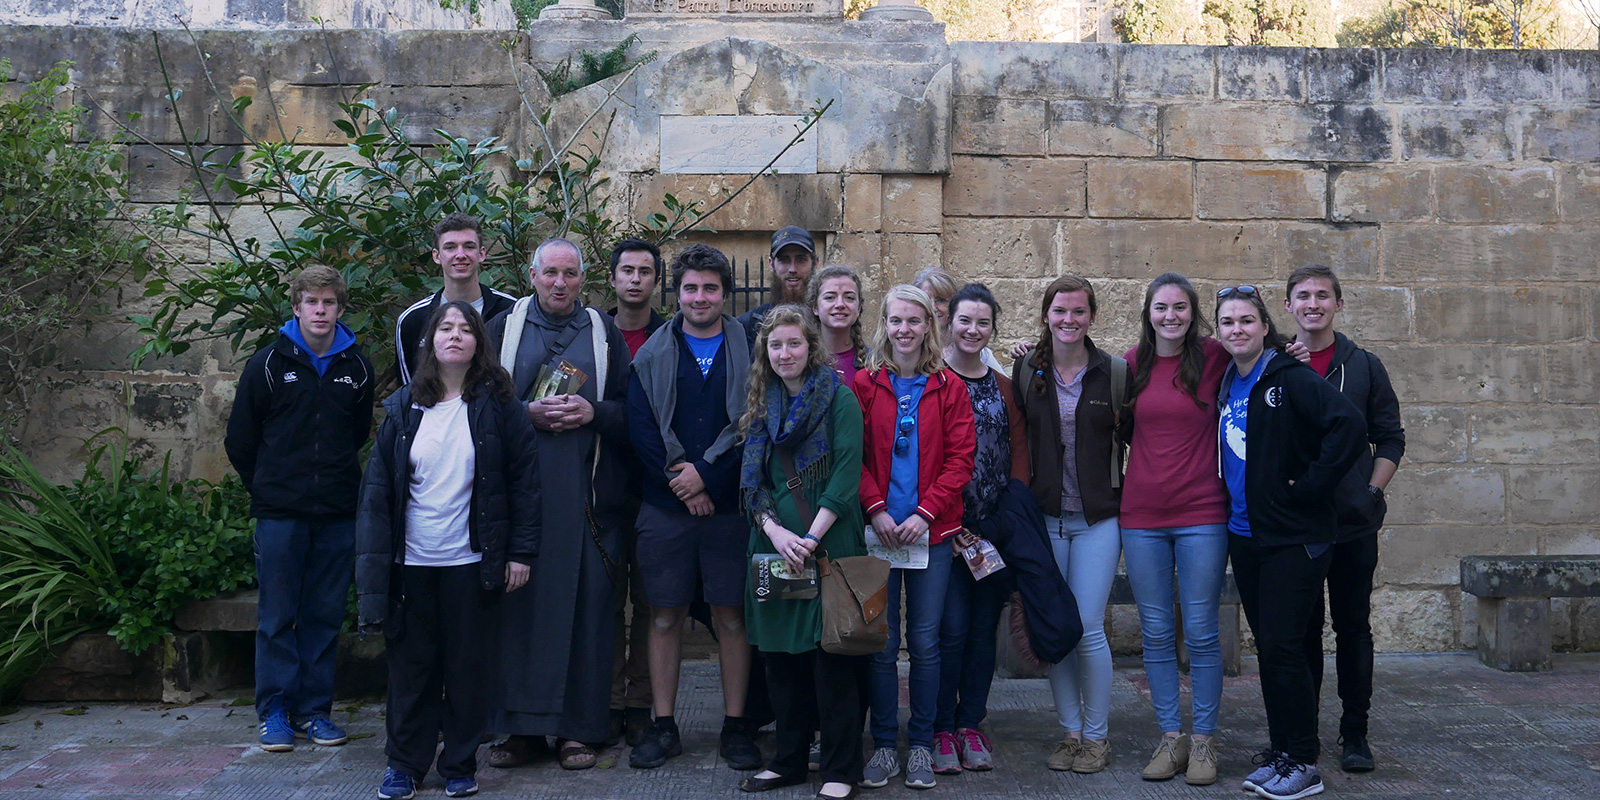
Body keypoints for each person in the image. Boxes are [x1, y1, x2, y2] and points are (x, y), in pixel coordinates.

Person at [355, 303, 540, 800]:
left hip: (471, 562)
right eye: (445, 328)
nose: (455, 336)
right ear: (430, 341)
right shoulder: (401, 408)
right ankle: (404, 766)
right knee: (412, 671)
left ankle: (459, 763)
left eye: (465, 329)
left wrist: (519, 553)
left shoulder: (500, 406)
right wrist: (373, 575)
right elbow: (376, 500)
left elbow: (524, 483)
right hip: (411, 564)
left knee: (467, 669)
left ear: (479, 341)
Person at [484, 237, 632, 771]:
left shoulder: (602, 331)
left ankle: (578, 730)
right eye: (551, 273)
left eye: (570, 274)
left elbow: (627, 409)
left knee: (587, 610)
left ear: (583, 278)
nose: (560, 283)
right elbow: (479, 406)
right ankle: (518, 730)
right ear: (532, 274)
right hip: (521, 496)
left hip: (586, 500)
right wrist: (527, 414)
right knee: (517, 609)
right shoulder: (503, 329)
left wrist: (592, 412)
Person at [1215, 285, 1364, 800]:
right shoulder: (1229, 383)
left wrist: (1311, 487)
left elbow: (1348, 425)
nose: (1237, 329)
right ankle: (1284, 751)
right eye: (1228, 322)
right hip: (1246, 534)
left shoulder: (1288, 375)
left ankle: (1303, 760)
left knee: (1283, 647)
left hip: (1293, 537)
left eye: (1246, 321)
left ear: (1264, 327)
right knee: (1276, 648)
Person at [225, 264, 375, 753]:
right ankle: (274, 713)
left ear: (340, 307)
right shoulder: (268, 364)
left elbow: (356, 434)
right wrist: (269, 488)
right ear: (296, 307)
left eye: (329, 302)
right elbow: (241, 440)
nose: (320, 310)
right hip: (280, 514)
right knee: (276, 616)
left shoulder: (357, 367)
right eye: (311, 302)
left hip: (335, 512)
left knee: (325, 615)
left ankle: (316, 712)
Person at [627, 243, 762, 771]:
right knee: (665, 617)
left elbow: (754, 423)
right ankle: (664, 726)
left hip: (730, 507)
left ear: (725, 294)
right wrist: (683, 485)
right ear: (676, 293)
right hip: (665, 507)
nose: (700, 297)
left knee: (732, 618)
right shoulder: (651, 355)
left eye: (710, 288)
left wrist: (707, 477)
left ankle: (735, 727)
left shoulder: (750, 350)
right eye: (690, 288)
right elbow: (642, 430)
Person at [735, 305, 869, 800]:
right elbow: (752, 482)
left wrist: (810, 539)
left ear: (810, 347)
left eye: (793, 344)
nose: (784, 353)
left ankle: (840, 768)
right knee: (780, 661)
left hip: (829, 544)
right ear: (765, 353)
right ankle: (788, 761)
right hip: (775, 546)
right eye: (775, 346)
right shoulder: (759, 404)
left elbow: (845, 476)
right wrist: (775, 533)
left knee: (833, 659)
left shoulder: (840, 398)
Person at [854, 285, 976, 791]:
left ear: (930, 326)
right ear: (885, 324)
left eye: (915, 321)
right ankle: (884, 744)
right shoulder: (864, 384)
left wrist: (925, 514)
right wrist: (876, 509)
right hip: (879, 531)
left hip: (932, 533)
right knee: (881, 643)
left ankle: (921, 744)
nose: (905, 330)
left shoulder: (950, 388)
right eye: (896, 320)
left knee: (926, 643)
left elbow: (960, 460)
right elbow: (852, 456)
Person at [1284, 265, 1405, 775]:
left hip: (1353, 523)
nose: (1313, 304)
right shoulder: (1274, 365)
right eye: (1303, 296)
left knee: (1353, 628)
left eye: (1323, 296)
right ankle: (1303, 733)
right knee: (1303, 633)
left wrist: (1372, 491)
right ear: (1288, 306)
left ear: (1339, 304)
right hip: (1297, 526)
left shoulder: (1364, 366)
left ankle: (1354, 732)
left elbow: (1391, 436)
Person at [1118, 273, 1232, 786]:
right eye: (1161, 307)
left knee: (1203, 632)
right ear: (1148, 312)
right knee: (1157, 631)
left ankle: (1204, 742)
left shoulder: (1214, 356)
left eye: (1180, 307)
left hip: (1203, 513)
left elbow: (1260, 352)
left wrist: (1291, 351)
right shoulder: (1130, 364)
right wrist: (1034, 355)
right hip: (1141, 517)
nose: (1170, 316)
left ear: (1193, 312)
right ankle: (1171, 738)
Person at [1011, 275, 1129, 776]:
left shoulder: (1115, 373)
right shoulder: (1025, 370)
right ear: (1045, 315)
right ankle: (1071, 732)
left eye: (1078, 311)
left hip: (1099, 519)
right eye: (1059, 311)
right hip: (1046, 519)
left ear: (1092, 317)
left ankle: (1098, 738)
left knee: (1086, 628)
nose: (1068, 319)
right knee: (1054, 627)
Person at [933, 284, 1029, 775]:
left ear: (993, 327)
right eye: (964, 320)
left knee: (981, 632)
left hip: (991, 534)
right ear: (948, 323)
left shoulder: (1002, 385)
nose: (973, 330)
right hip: (944, 531)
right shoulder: (932, 379)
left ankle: (971, 722)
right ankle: (940, 728)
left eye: (983, 322)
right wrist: (942, 522)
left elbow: (1019, 455)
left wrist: (1000, 521)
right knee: (948, 629)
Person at [607, 237, 667, 746]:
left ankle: (640, 702)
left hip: (654, 491)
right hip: (599, 490)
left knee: (651, 603)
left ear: (655, 281)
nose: (634, 279)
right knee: (606, 601)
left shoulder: (670, 336)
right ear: (612, 279)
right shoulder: (592, 333)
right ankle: (606, 701)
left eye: (644, 272)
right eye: (626, 270)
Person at [395, 213, 518, 385]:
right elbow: (408, 394)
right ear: (436, 256)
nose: (460, 255)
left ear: (482, 254)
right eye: (450, 247)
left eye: (469, 246)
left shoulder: (512, 312)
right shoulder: (412, 320)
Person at [738, 226, 817, 351]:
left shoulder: (826, 321)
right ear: (771, 264)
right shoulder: (750, 325)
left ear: (815, 263)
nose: (792, 269)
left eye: (801, 259)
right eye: (784, 260)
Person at [914, 267, 1004, 373]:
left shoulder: (976, 351)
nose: (933, 307)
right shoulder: (911, 349)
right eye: (926, 300)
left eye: (941, 300)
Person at [807, 264, 865, 384]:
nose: (840, 304)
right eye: (830, 297)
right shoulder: (802, 361)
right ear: (815, 307)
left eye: (849, 297)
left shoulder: (875, 363)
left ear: (859, 308)